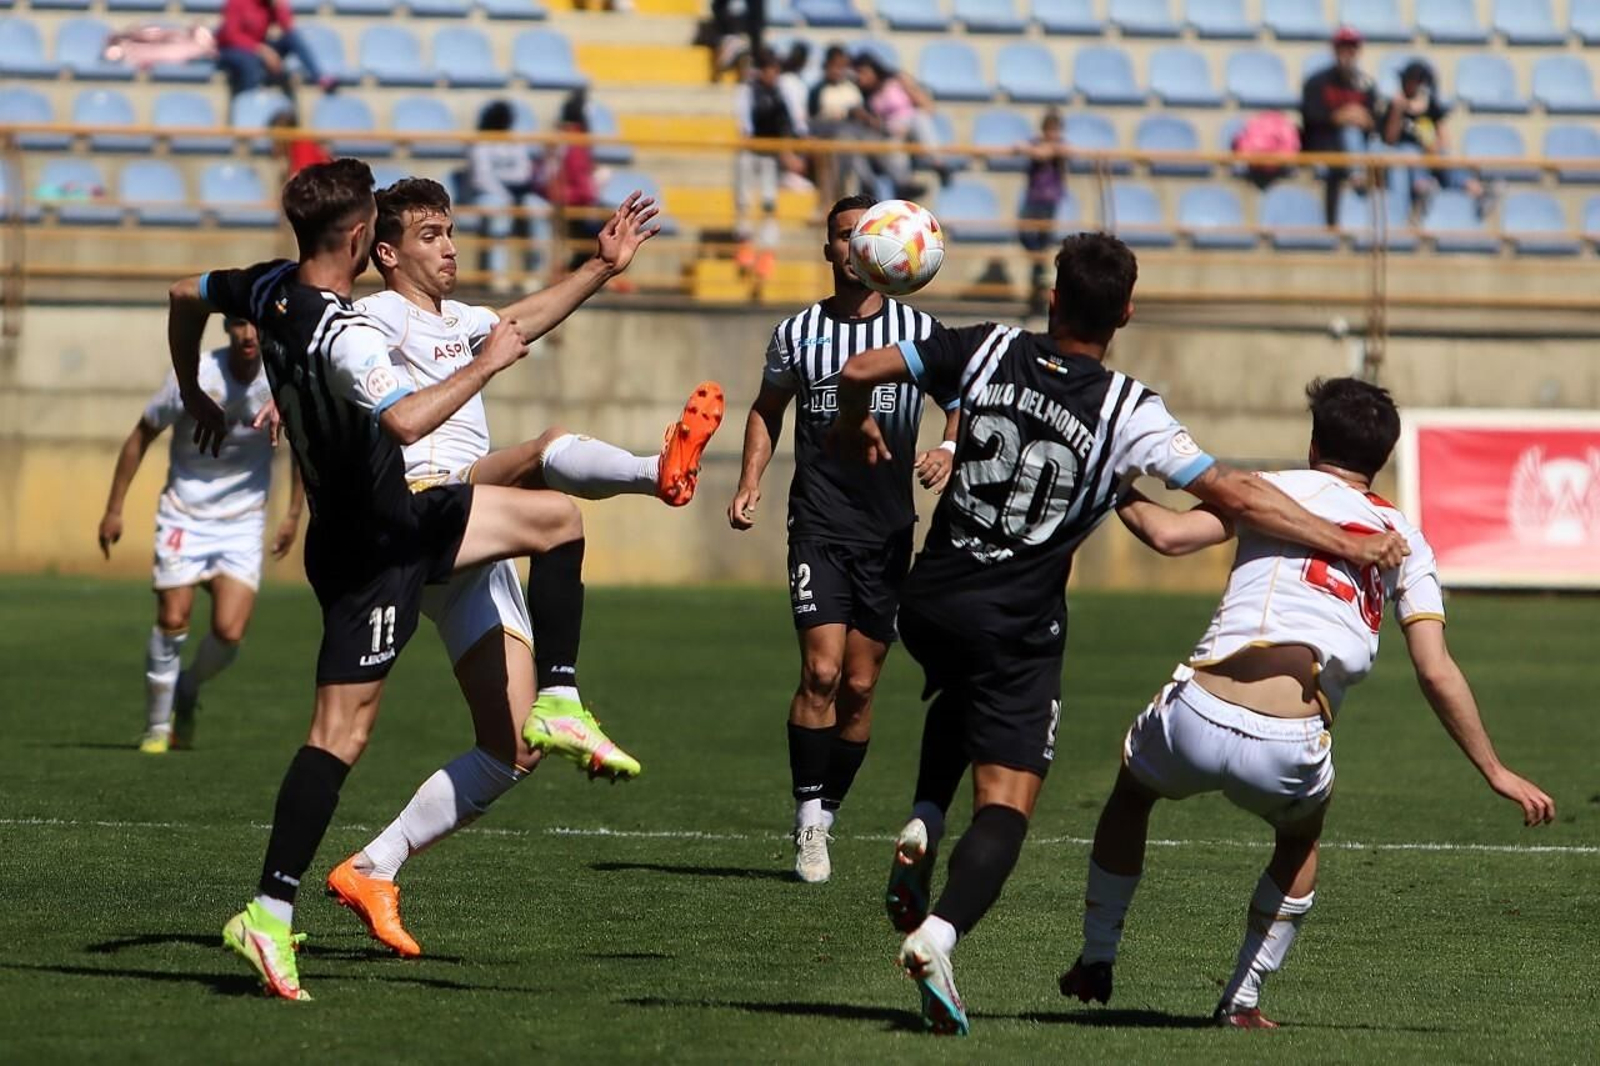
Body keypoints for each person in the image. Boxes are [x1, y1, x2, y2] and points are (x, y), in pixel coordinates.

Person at [827, 233, 1411, 1035]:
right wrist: (1348, 541)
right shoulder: (1129, 410)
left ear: (1052, 296)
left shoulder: (984, 345)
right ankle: (937, 936)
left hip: (927, 603)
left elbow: (857, 372)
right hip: (1016, 623)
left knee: (962, 683)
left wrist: (857, 430)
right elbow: (1231, 494)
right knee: (1006, 805)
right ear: (1127, 313)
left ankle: (927, 811)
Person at [169, 158, 610, 1001]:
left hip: (372, 530)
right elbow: (407, 418)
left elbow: (180, 293)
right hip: (380, 544)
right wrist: (488, 364)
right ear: (361, 236)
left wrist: (193, 384)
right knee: (340, 734)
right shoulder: (344, 334)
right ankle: (268, 911)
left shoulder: (264, 287)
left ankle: (557, 696)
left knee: (556, 518)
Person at [1061, 377, 1556, 1028]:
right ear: (1382, 458)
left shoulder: (1267, 488)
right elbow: (1436, 672)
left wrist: (1113, 483)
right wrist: (1494, 768)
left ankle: (1097, 954)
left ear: (1314, 440)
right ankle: (1241, 1001)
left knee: (1132, 794)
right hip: (1290, 741)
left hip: (1198, 709)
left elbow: (1167, 535)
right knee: (1299, 842)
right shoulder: (1405, 539)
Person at [325, 178, 723, 956]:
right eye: (431, 234)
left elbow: (520, 320)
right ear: (386, 252)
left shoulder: (462, 320)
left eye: (450, 230)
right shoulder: (369, 317)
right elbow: (333, 360)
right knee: (546, 459)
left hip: (471, 539)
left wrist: (601, 268)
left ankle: (373, 865)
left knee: (513, 751)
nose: (448, 246)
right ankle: (654, 473)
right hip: (424, 504)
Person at [727, 194, 959, 883]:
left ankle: (827, 810)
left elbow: (960, 401)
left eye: (865, 235)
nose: (856, 248)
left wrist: (948, 446)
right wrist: (749, 481)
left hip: (888, 532)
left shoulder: (918, 331)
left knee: (860, 687)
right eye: (842, 237)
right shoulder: (798, 333)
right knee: (822, 672)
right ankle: (806, 822)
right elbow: (768, 410)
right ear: (831, 250)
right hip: (819, 525)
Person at [98, 317, 303, 754]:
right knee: (173, 619)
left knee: (229, 632)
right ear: (227, 327)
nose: (249, 335)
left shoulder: (280, 379)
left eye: (257, 327)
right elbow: (141, 435)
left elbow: (305, 444)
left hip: (242, 521)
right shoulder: (195, 376)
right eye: (241, 325)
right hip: (184, 514)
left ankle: (187, 688)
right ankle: (156, 727)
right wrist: (115, 508)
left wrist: (292, 514)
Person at [1380, 60, 1487, 220]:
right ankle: (1422, 187)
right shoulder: (1395, 106)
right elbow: (1390, 139)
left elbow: (1444, 140)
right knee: (1410, 152)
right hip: (1408, 158)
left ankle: (1475, 189)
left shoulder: (1432, 108)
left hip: (1430, 156)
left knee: (1443, 156)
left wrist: (1433, 147)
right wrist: (1398, 111)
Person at [734, 49, 804, 282]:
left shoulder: (780, 93)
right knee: (744, 200)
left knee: (768, 202)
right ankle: (744, 244)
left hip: (771, 155)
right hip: (751, 151)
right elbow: (745, 126)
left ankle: (766, 251)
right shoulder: (748, 92)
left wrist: (787, 149)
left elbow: (789, 123)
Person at [468, 100, 548, 294]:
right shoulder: (480, 143)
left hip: (519, 193)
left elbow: (524, 172)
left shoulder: (514, 140)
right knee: (499, 213)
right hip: (488, 195)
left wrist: (507, 183)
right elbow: (482, 178)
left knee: (539, 209)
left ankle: (535, 275)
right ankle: (496, 276)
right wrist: (506, 193)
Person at [1301, 26, 1377, 226]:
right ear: (1335, 50)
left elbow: (1375, 122)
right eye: (1343, 47)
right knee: (1347, 135)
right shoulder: (1317, 82)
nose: (1347, 53)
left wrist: (1364, 119)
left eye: (1352, 48)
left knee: (1385, 152)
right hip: (1324, 144)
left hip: (1359, 147)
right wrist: (1340, 117)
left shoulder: (1367, 84)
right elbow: (1311, 117)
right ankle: (1356, 176)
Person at [853, 53, 941, 199]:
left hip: (911, 123)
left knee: (920, 119)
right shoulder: (865, 97)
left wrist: (906, 127)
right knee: (892, 144)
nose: (861, 78)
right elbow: (876, 124)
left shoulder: (897, 80)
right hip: (890, 130)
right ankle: (904, 183)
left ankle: (937, 162)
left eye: (863, 72)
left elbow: (927, 107)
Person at [215, 0, 333, 98]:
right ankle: (249, 105)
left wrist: (280, 6)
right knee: (248, 61)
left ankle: (319, 77)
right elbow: (230, 35)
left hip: (258, 48)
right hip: (231, 50)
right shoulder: (237, 2)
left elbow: (287, 27)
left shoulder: (269, 5)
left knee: (292, 38)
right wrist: (262, 50)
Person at [807, 45, 874, 205]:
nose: (838, 71)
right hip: (830, 142)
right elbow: (814, 120)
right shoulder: (818, 90)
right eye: (835, 66)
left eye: (842, 66)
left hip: (854, 139)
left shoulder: (851, 88)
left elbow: (862, 115)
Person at [1017, 109, 1067, 314]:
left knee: (1043, 244)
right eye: (1049, 130)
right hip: (1033, 198)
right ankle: (1039, 276)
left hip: (1048, 201)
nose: (1052, 134)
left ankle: (1039, 285)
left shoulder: (1059, 146)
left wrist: (1027, 149)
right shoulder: (1036, 142)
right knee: (1026, 235)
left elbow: (1045, 153)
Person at [547, 91, 602, 276]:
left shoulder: (571, 139)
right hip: (571, 200)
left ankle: (572, 274)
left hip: (575, 198)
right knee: (598, 237)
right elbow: (570, 175)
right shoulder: (573, 140)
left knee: (593, 241)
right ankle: (571, 275)